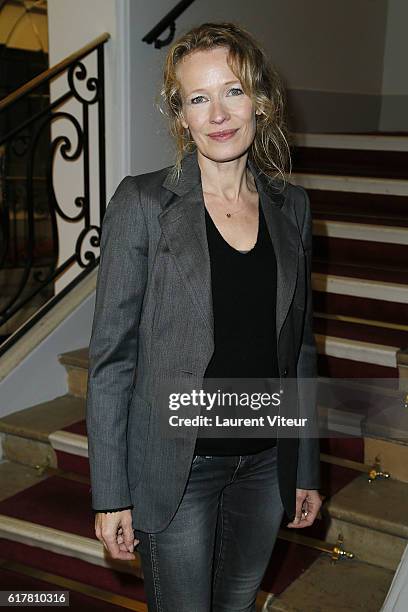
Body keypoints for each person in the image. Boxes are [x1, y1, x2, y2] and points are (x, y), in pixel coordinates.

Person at [86, 21, 322, 612]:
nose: (218, 113)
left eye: (233, 91)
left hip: (267, 463)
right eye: (198, 98)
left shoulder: (291, 207)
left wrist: (305, 466)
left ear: (261, 102)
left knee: (239, 605)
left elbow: (300, 348)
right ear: (181, 115)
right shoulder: (142, 204)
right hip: (179, 468)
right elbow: (112, 360)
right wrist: (110, 492)